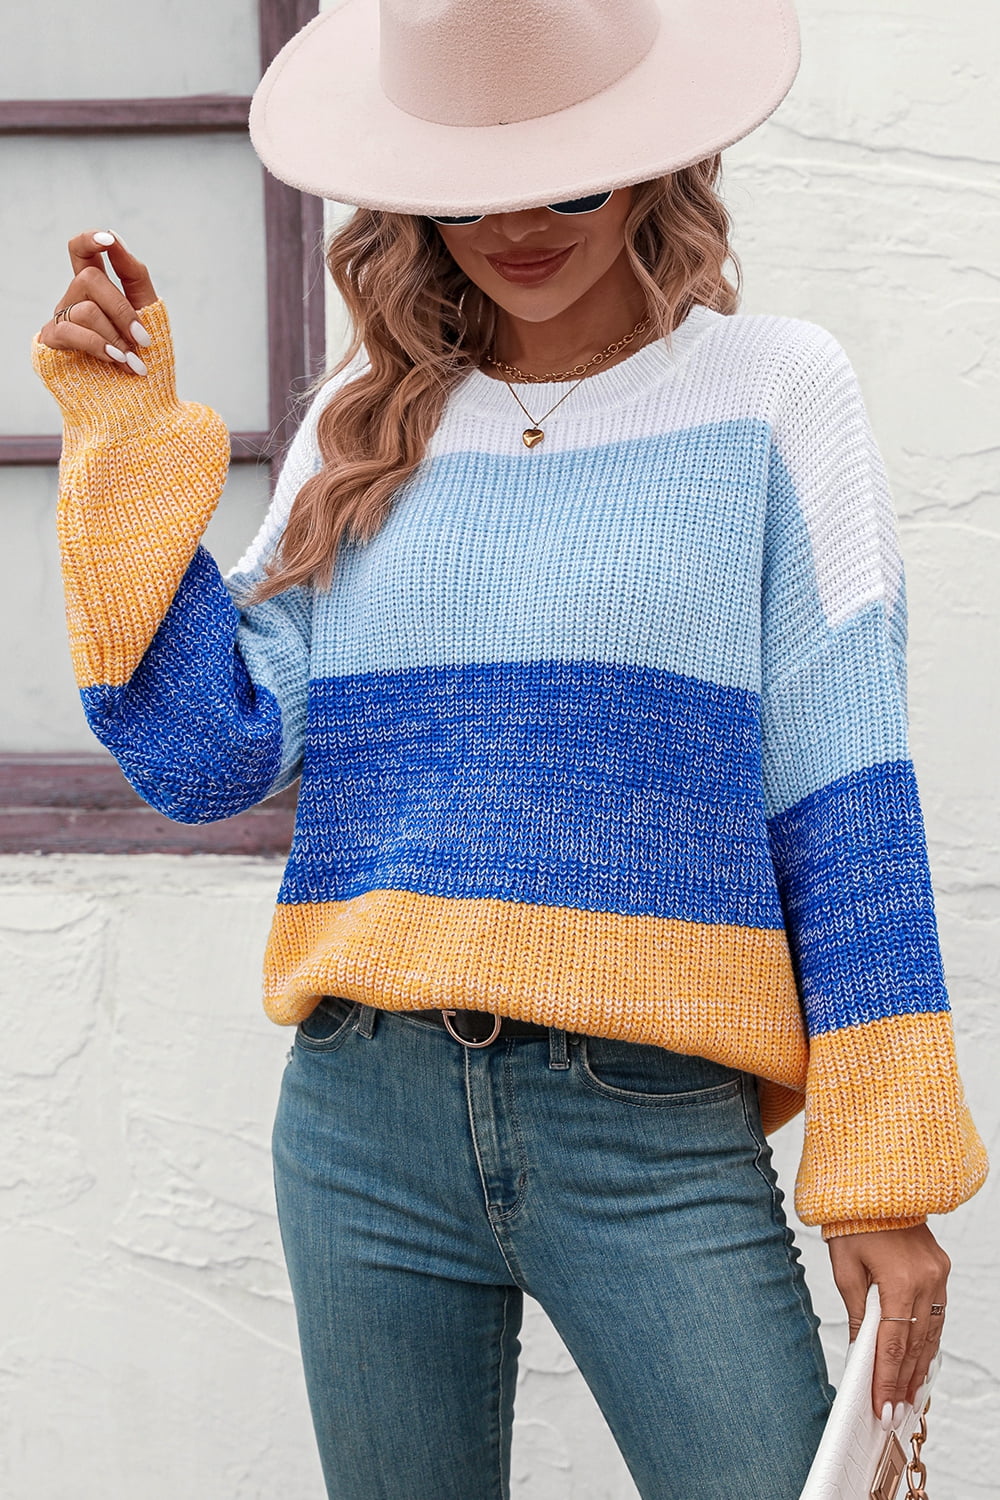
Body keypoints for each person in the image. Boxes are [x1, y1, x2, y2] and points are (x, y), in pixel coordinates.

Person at [32, 2, 986, 1497]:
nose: (519, 230)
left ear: (656, 165)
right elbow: (211, 756)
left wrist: (880, 1173)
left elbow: (843, 786)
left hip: (649, 1120)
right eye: (470, 192)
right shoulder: (364, 424)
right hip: (361, 1117)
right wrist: (123, 444)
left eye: (571, 182)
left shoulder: (775, 392)